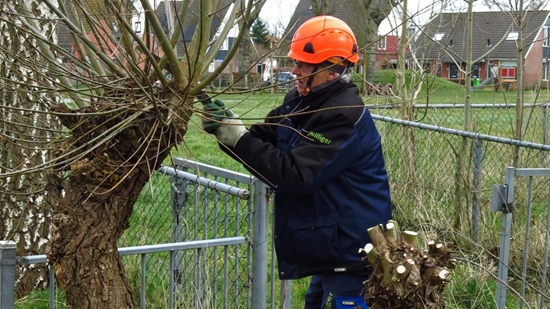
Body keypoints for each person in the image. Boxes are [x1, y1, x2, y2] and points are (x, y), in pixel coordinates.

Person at [202, 15, 392, 309]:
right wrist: (227, 129)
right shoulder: (302, 100)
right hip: (327, 249)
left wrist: (237, 137)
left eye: (302, 64)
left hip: (351, 255)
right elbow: (265, 138)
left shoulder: (341, 116)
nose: (294, 70)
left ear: (331, 69)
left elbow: (294, 176)